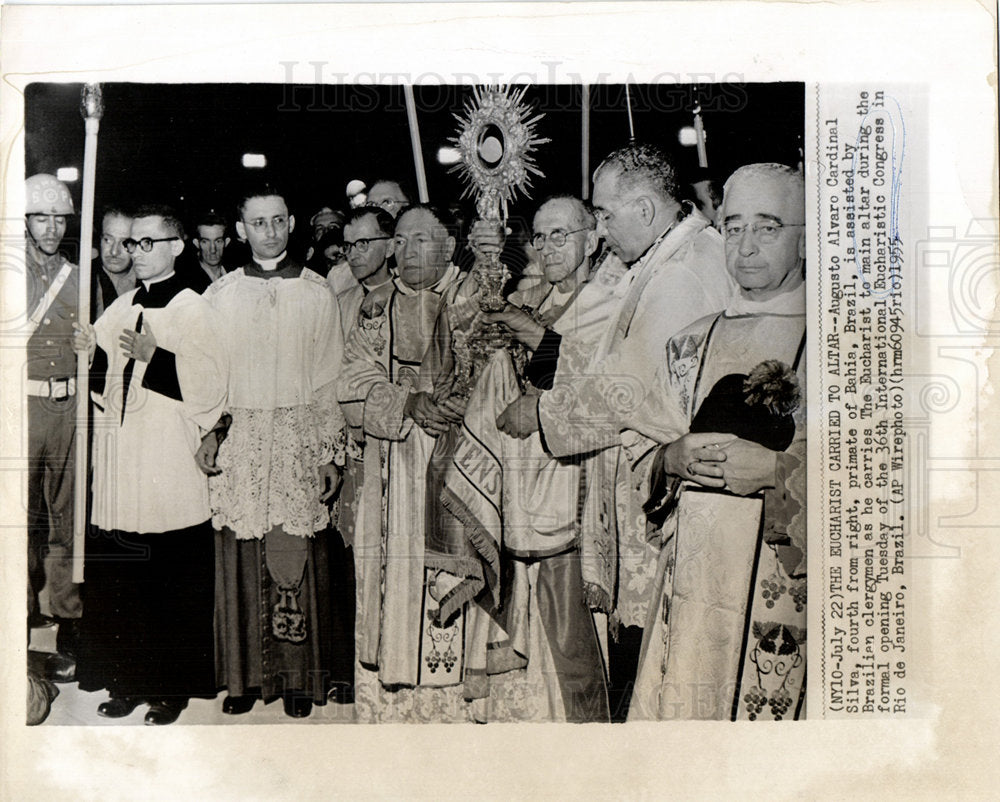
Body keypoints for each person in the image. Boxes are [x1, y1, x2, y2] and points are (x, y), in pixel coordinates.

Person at [487, 144, 736, 720]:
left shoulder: (680, 275)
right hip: (658, 479)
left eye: (603, 214)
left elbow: (629, 392)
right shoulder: (667, 258)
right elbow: (609, 359)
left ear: (645, 210)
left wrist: (541, 414)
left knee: (657, 659)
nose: (601, 227)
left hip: (670, 489)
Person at [624, 163, 807, 720]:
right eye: (733, 227)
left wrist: (780, 472)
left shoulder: (842, 341)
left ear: (805, 236)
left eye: (768, 227)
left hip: (785, 602)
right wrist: (669, 457)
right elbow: (637, 459)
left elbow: (880, 480)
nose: (746, 247)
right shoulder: (690, 343)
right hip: (692, 594)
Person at [434, 195, 615, 721]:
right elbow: (467, 351)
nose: (549, 246)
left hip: (570, 483)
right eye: (540, 236)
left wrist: (520, 328)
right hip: (516, 488)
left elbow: (590, 373)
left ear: (593, 237)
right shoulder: (530, 293)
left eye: (562, 234)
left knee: (567, 629)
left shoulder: (607, 299)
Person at [196, 185, 347, 719]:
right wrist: (210, 430)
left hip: (296, 438)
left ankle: (299, 682)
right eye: (257, 223)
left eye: (277, 221)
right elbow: (208, 376)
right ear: (241, 229)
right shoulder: (223, 295)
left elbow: (329, 376)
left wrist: (330, 452)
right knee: (239, 552)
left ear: (291, 223)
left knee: (293, 552)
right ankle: (243, 679)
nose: (268, 231)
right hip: (243, 438)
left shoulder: (316, 292)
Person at [72, 205, 226, 725]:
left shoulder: (194, 308)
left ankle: (168, 687)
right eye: (131, 244)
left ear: (177, 247)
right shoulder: (119, 308)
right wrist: (88, 356)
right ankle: (126, 679)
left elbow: (212, 389)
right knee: (124, 577)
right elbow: (102, 388)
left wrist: (155, 356)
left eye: (146, 243)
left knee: (167, 578)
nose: (135, 253)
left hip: (166, 461)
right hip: (122, 459)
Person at [337, 203, 473, 722]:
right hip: (392, 473)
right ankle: (391, 712)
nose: (407, 251)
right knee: (389, 586)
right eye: (402, 240)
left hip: (456, 476)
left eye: (422, 240)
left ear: (449, 245)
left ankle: (450, 715)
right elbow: (351, 384)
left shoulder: (472, 303)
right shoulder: (378, 308)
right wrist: (407, 401)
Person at [24, 174, 83, 684]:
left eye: (59, 217)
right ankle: (18, 629)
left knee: (66, 521)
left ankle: (67, 625)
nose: (51, 227)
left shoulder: (78, 278)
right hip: (20, 409)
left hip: (65, 410)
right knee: (19, 525)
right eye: (41, 216)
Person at [91, 207, 135, 321]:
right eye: (107, 240)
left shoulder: (149, 280)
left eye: (125, 242)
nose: (114, 251)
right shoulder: (82, 278)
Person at [187, 210, 232, 288]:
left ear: (226, 242)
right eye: (205, 242)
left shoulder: (236, 274)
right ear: (197, 243)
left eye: (218, 241)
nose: (212, 250)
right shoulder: (188, 281)